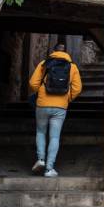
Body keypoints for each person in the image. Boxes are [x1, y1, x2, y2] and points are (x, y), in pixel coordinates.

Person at [29, 43, 82, 177]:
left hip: (42, 104)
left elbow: (33, 83)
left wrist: (41, 93)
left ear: (53, 52)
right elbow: (77, 88)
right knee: (54, 137)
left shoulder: (44, 63)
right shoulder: (72, 66)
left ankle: (40, 159)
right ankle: (49, 169)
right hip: (60, 106)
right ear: (66, 52)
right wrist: (68, 98)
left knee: (40, 132)